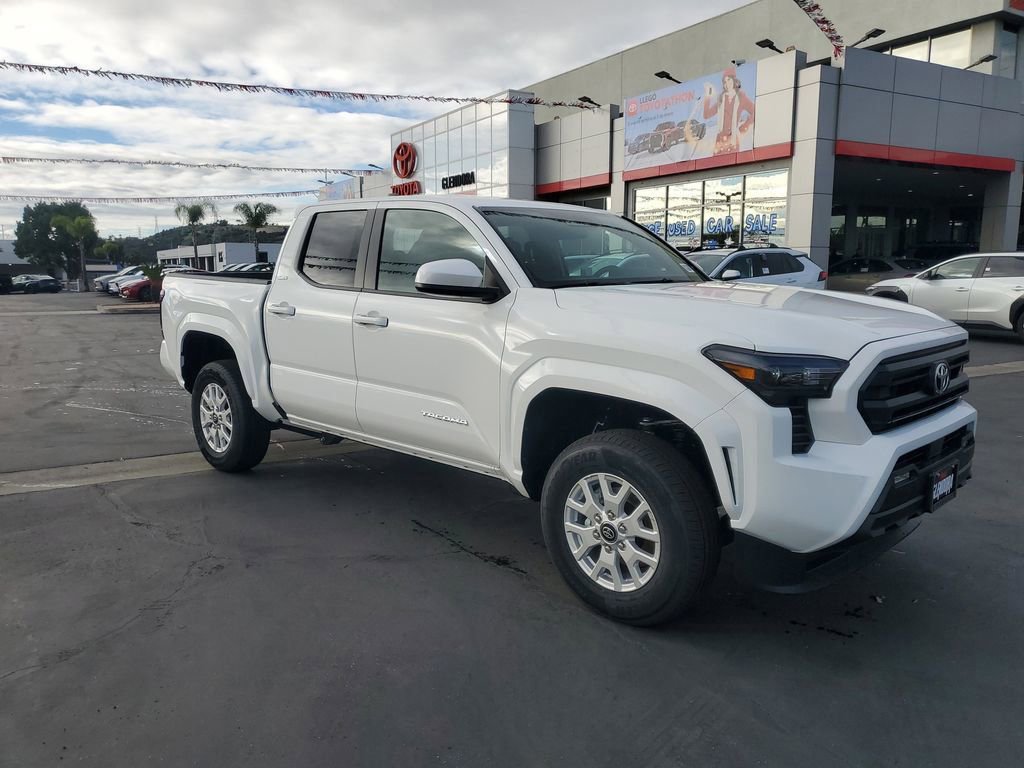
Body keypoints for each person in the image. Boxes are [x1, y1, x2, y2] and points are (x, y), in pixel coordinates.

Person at [703, 67, 755, 155]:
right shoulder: (721, 99)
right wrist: (707, 97)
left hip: (733, 139)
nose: (727, 84)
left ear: (734, 81)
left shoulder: (741, 97)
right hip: (720, 140)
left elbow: (755, 111)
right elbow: (706, 115)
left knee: (733, 165)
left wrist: (745, 125)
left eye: (729, 80)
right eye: (725, 82)